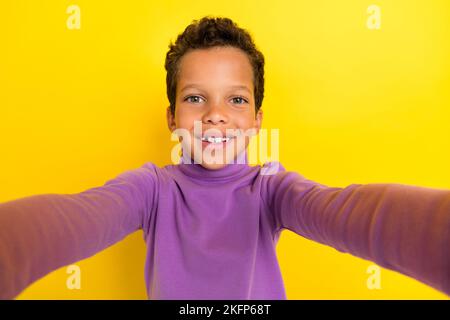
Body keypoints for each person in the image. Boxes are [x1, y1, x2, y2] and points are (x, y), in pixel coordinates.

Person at [0, 16, 449, 300]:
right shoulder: (151, 188)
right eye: (196, 98)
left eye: (236, 101)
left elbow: (348, 211)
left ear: (256, 120)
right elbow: (80, 216)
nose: (216, 115)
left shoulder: (272, 187)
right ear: (172, 117)